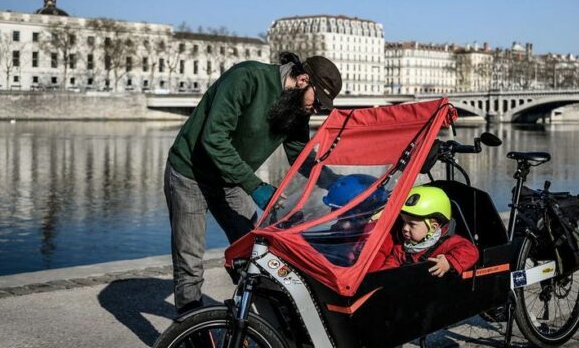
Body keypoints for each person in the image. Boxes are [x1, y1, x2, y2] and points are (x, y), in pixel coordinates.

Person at [164, 52, 342, 314]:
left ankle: (245, 324)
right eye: (318, 102)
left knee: (252, 256)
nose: (317, 110)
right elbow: (214, 139)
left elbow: (300, 155)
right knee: (190, 264)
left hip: (231, 180)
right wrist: (255, 186)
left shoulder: (297, 108)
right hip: (190, 175)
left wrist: (335, 183)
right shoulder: (246, 78)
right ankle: (193, 334)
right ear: (303, 79)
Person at [381, 185, 479, 276]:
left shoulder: (447, 244)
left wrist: (448, 262)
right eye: (404, 222)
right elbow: (390, 266)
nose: (405, 228)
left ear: (433, 227)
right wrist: (384, 277)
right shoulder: (401, 249)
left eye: (412, 224)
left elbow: (471, 251)